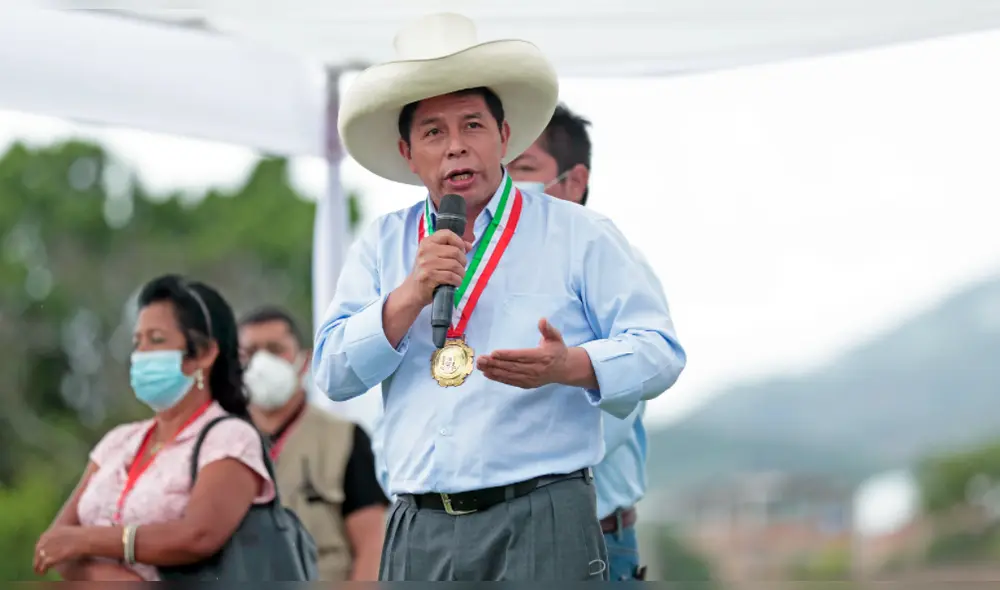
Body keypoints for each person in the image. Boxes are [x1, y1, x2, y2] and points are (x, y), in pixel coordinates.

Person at [313, 12, 685, 581]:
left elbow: (660, 352)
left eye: (473, 126)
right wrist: (410, 294)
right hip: (418, 522)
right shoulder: (382, 244)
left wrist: (573, 365)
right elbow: (334, 373)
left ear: (505, 137)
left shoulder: (577, 232)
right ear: (408, 153)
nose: (456, 148)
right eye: (434, 132)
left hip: (542, 514)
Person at [508, 104, 665, 580]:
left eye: (524, 170)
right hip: (499, 543)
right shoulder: (486, 270)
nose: (505, 188)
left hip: (589, 538)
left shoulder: (610, 259)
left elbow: (643, 372)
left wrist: (567, 366)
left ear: (573, 183)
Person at [34, 274, 275, 581]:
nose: (141, 354)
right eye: (138, 342)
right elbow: (54, 543)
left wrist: (86, 541)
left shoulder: (230, 439)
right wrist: (115, 581)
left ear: (203, 354)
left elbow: (198, 536)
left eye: (157, 340)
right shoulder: (118, 442)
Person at [238, 305, 387, 581]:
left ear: (304, 360)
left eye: (275, 349)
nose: (261, 362)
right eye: (250, 352)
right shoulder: (221, 440)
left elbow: (372, 547)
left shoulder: (344, 438)